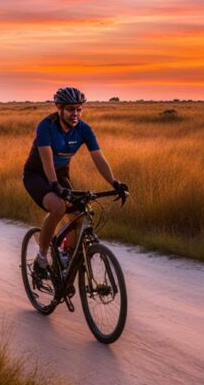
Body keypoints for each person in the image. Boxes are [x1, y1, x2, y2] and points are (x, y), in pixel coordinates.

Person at [22, 87, 128, 277]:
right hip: (37, 174)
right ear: (59, 108)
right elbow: (46, 160)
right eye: (71, 109)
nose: (76, 114)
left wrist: (115, 183)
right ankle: (42, 258)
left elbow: (99, 158)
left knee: (79, 212)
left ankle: (67, 256)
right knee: (58, 207)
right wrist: (55, 186)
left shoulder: (84, 129)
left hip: (60, 173)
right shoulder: (46, 126)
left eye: (79, 109)